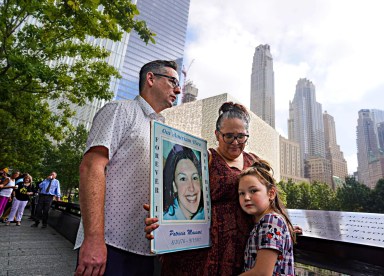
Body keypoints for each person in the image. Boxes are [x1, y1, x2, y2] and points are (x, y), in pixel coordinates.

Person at [74, 60, 181, 276]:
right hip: (109, 245)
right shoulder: (119, 111)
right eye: (173, 81)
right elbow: (91, 167)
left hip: (145, 250)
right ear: (151, 79)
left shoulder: (162, 130)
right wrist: (94, 239)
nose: (177, 90)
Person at [145, 102, 262, 275]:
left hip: (239, 250)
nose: (235, 142)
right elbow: (175, 191)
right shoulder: (204, 158)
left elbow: (269, 199)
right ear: (217, 134)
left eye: (241, 136)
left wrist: (284, 222)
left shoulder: (254, 162)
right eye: (228, 136)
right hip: (197, 252)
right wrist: (158, 216)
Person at [238, 160, 295, 276]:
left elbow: (262, 273)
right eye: (241, 193)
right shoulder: (266, 222)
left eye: (253, 191)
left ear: (271, 193)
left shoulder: (271, 221)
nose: (246, 197)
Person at [163, 144, 204, 220]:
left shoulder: (206, 215)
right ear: (174, 185)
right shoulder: (164, 220)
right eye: (183, 179)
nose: (191, 188)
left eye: (195, 177)